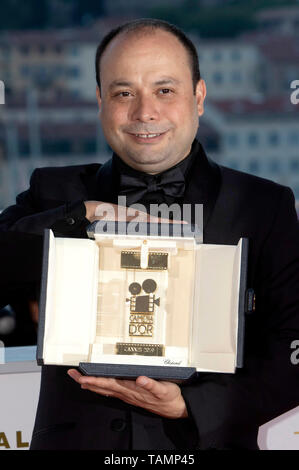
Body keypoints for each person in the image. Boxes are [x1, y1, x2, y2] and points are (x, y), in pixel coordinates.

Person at [0, 19, 298, 450]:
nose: (144, 113)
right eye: (124, 93)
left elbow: (292, 351)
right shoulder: (54, 192)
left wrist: (190, 405)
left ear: (198, 96)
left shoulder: (263, 205)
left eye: (164, 90)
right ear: (100, 100)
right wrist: (78, 217)